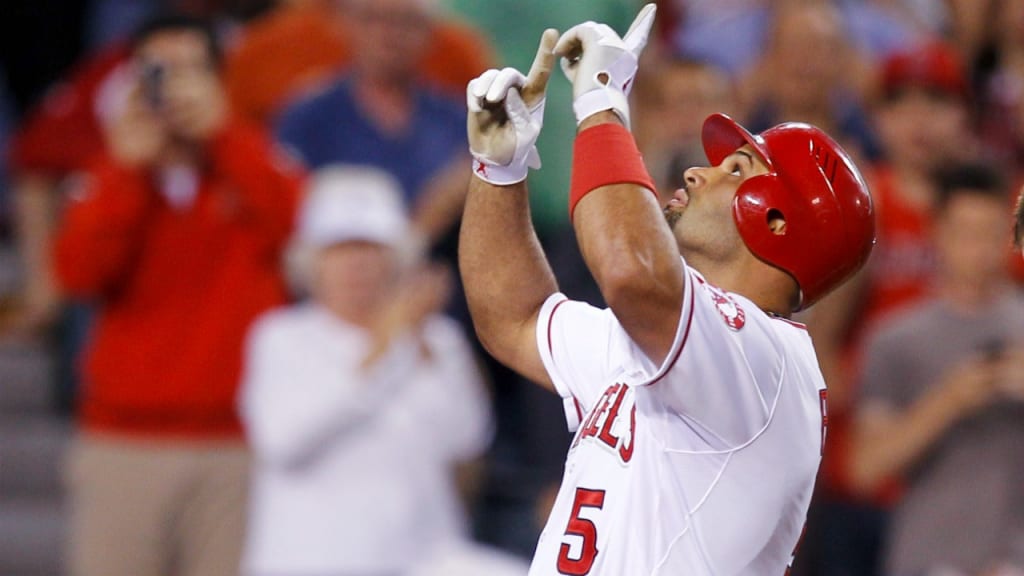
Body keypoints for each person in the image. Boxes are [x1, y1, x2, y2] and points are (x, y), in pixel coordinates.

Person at [459, 4, 875, 574]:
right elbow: (516, 320)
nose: (697, 172)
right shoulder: (677, 338)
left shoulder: (766, 361)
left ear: (778, 222)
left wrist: (602, 104)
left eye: (736, 170)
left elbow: (630, 270)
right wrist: (498, 173)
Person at [52, 13, 302, 576]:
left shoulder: (252, 158)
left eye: (191, 70)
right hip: (123, 442)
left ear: (218, 80)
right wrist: (126, 171)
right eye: (159, 71)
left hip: (235, 442)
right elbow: (79, 277)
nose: (174, 87)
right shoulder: (110, 172)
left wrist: (225, 137)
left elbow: (298, 233)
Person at [239, 165, 525, 576]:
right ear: (312, 263)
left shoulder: (436, 337)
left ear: (396, 259)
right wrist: (386, 347)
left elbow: (467, 438)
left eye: (371, 249)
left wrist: (418, 346)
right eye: (340, 250)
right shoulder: (281, 338)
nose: (356, 265)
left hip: (423, 558)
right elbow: (283, 441)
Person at [849, 163, 1024, 576]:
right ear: (937, 233)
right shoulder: (894, 339)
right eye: (966, 232)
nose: (980, 249)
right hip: (928, 556)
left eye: (992, 232)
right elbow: (865, 468)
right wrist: (950, 400)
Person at [274, 0, 470, 249]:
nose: (389, 34)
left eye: (406, 22)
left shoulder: (456, 120)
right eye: (373, 19)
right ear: (345, 25)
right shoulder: (308, 117)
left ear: (430, 33)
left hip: (441, 264)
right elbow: (286, 211)